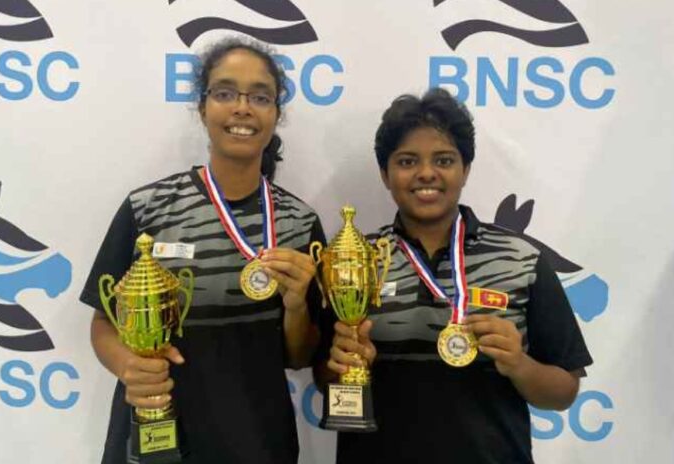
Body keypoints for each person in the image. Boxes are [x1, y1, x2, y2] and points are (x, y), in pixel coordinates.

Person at [314, 88, 593, 463]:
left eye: (443, 160)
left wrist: (519, 365)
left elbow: (564, 391)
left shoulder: (521, 260)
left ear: (466, 169)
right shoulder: (354, 262)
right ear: (385, 174)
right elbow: (323, 377)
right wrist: (341, 365)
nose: (426, 173)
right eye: (407, 161)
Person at [80, 37, 325, 464]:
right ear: (202, 107)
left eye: (260, 97)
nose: (242, 108)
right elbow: (104, 321)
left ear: (275, 114)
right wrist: (128, 366)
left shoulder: (299, 222)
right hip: (156, 440)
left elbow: (299, 356)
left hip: (257, 443)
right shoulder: (148, 209)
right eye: (225, 93)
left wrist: (297, 307)